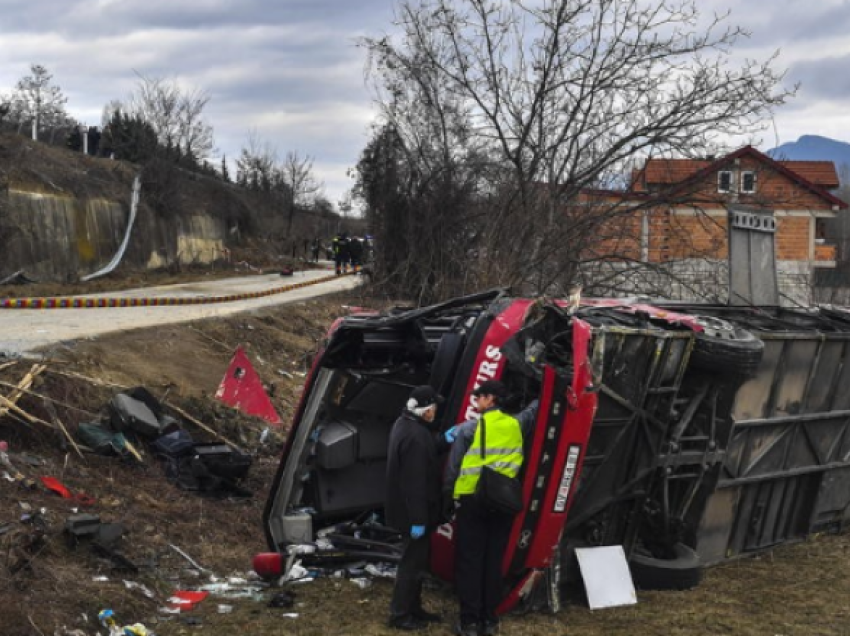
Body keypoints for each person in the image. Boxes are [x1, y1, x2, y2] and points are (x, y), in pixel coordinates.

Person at [444, 380, 537, 636]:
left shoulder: (469, 428)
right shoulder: (516, 424)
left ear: (490, 399)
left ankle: (470, 622)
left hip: (473, 502)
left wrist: (447, 500)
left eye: (479, 398)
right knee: (493, 561)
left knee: (470, 561)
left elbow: (453, 470)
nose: (476, 402)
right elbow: (534, 411)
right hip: (503, 503)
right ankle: (489, 620)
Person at [385, 385, 456, 631]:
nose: (435, 411)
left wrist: (443, 440)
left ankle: (413, 609)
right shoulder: (415, 435)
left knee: (417, 563)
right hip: (413, 513)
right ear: (425, 410)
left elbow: (423, 452)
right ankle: (400, 615)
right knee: (411, 564)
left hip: (407, 510)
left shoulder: (406, 424)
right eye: (433, 407)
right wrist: (418, 518)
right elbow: (414, 482)